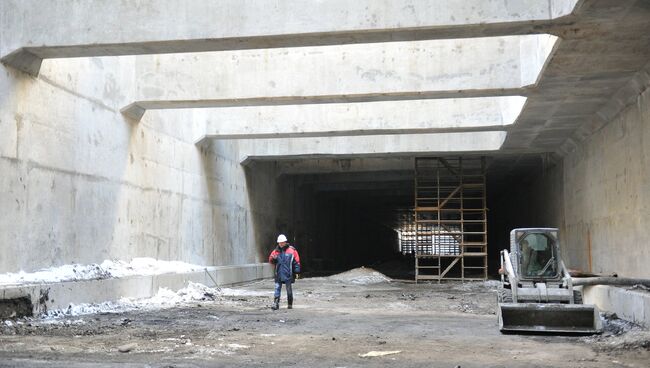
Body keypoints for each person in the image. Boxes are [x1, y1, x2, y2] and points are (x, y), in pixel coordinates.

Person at [268, 234, 301, 310]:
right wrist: (273, 259)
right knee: (277, 289)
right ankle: (276, 304)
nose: (281, 244)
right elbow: (270, 260)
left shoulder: (292, 251)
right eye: (280, 242)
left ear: (285, 242)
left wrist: (297, 273)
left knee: (289, 290)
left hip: (288, 274)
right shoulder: (275, 251)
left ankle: (290, 304)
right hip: (278, 274)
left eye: (282, 242)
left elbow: (296, 262)